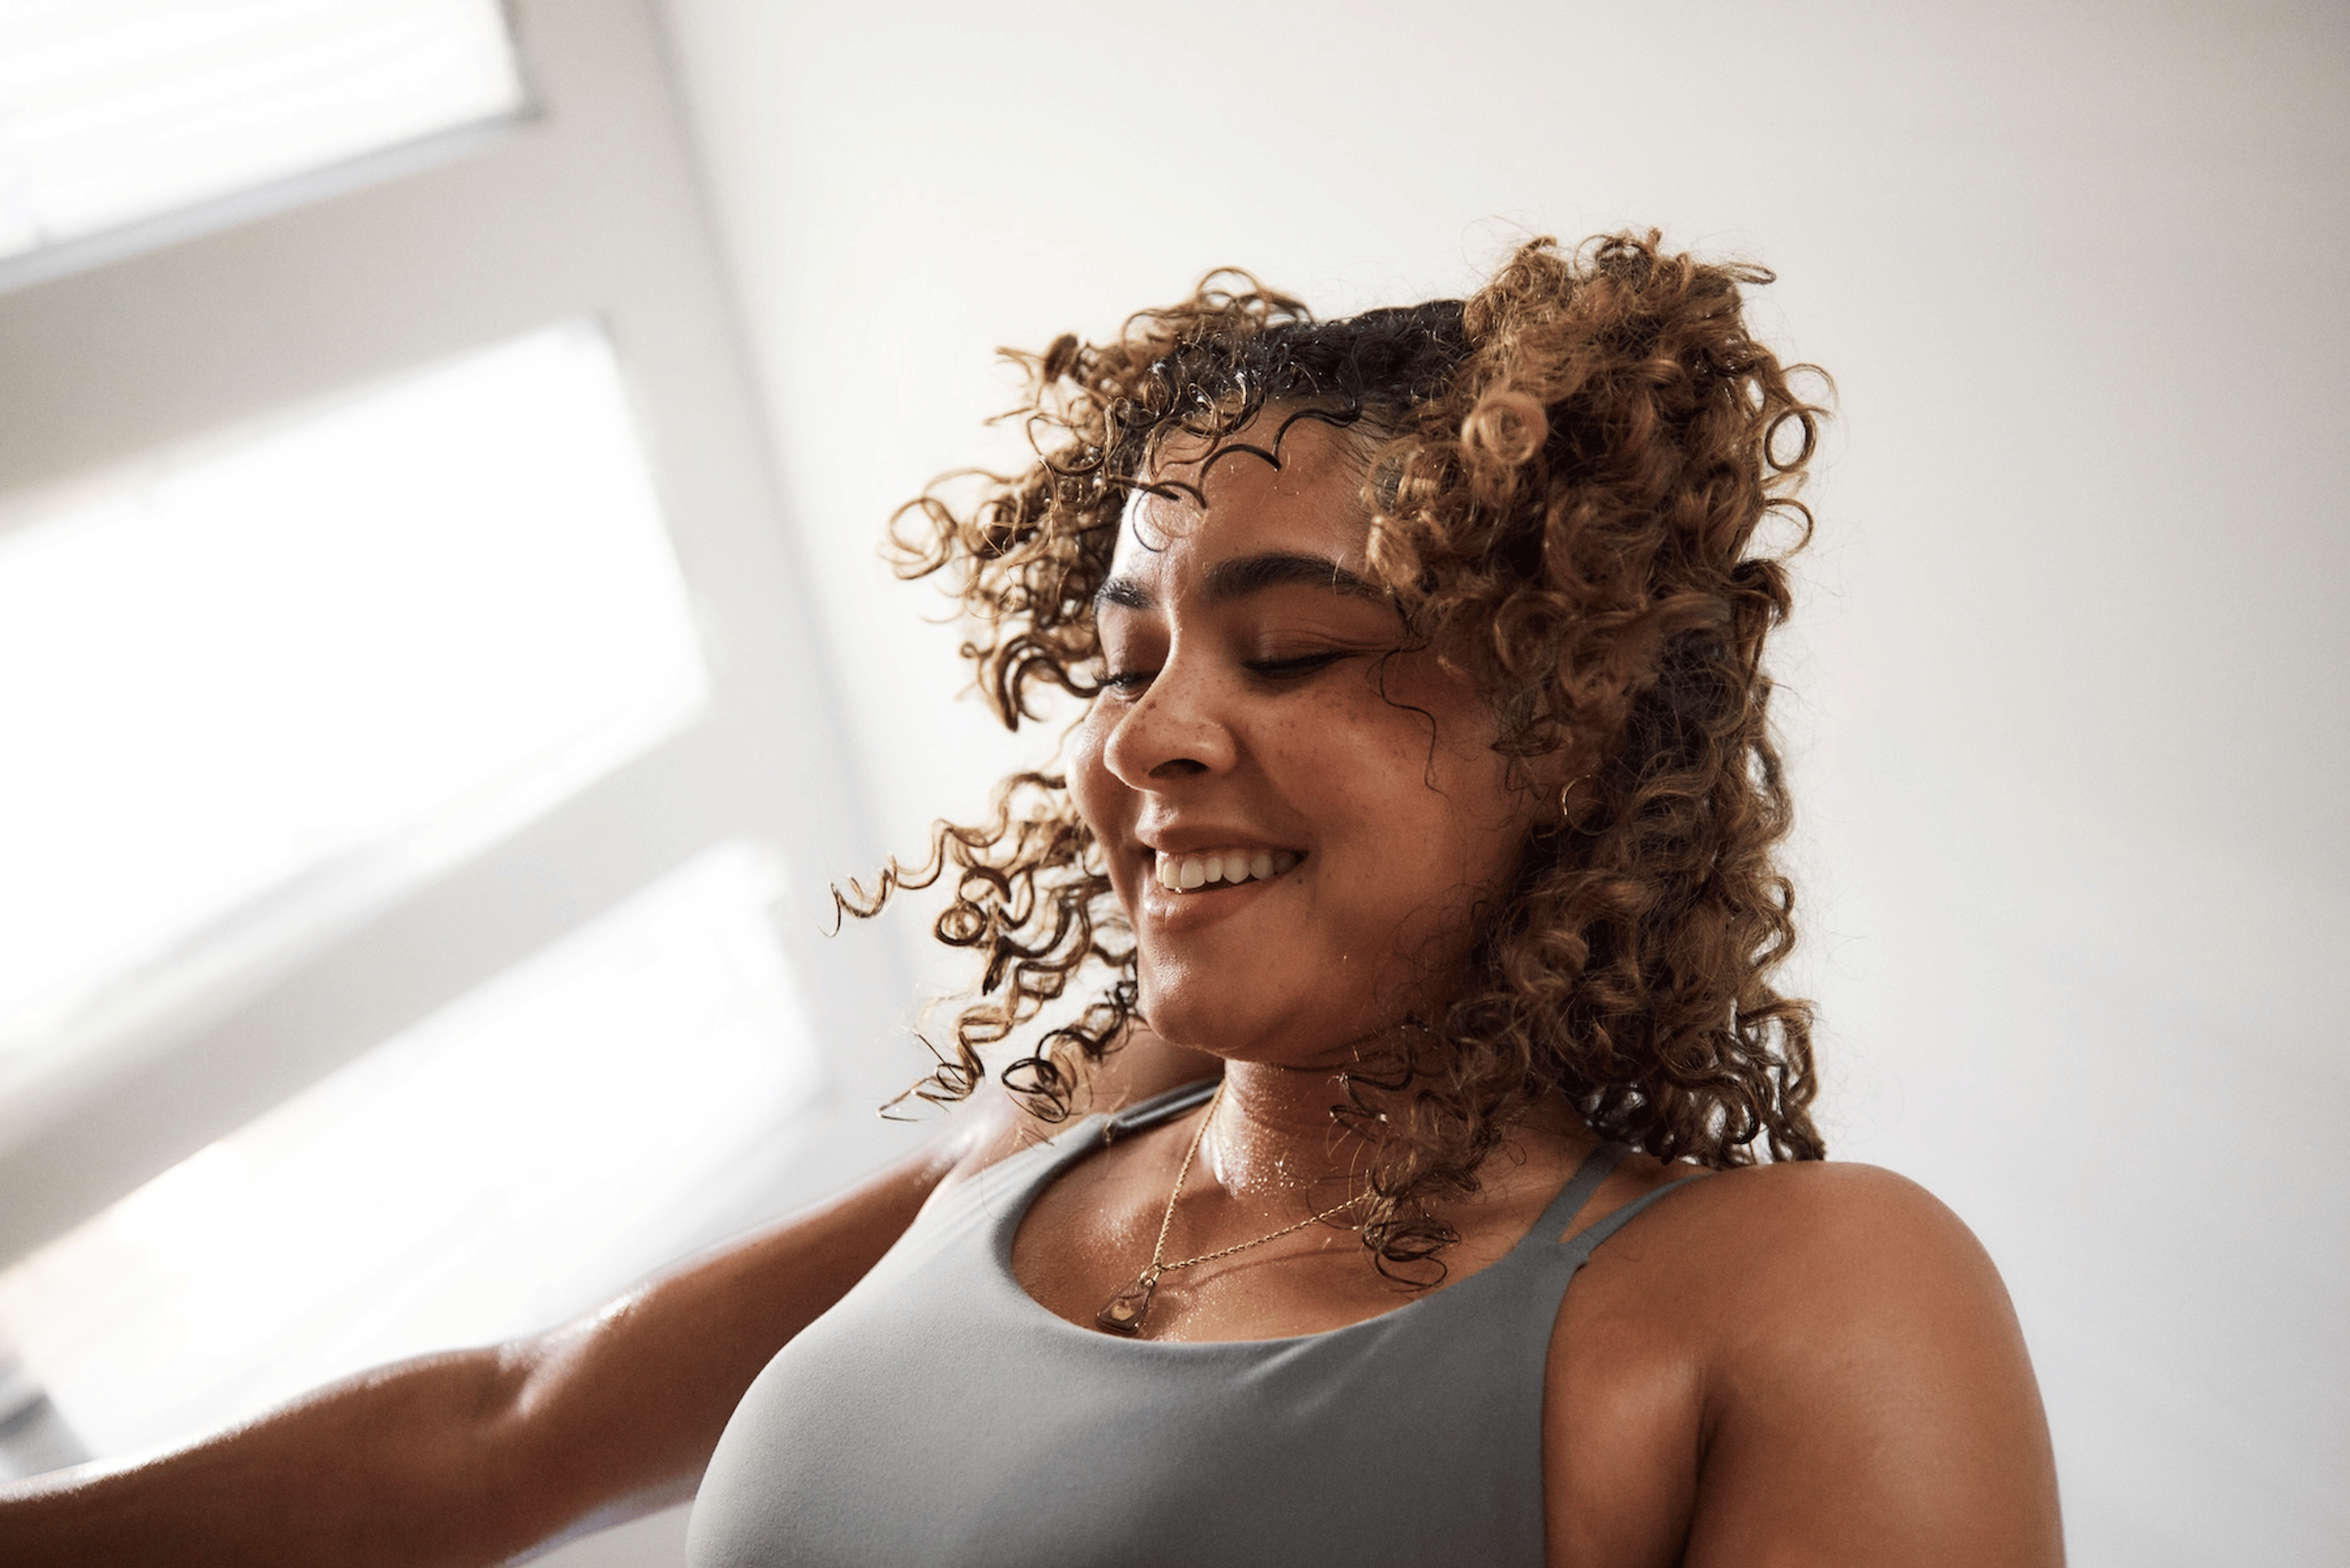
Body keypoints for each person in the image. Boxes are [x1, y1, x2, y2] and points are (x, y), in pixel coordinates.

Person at [0, 233, 2062, 1566]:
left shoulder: (1791, 1292)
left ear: (1579, 741)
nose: (1141, 741)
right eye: (1122, 661)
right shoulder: (1036, 1154)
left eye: (1297, 645)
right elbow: (498, 1442)